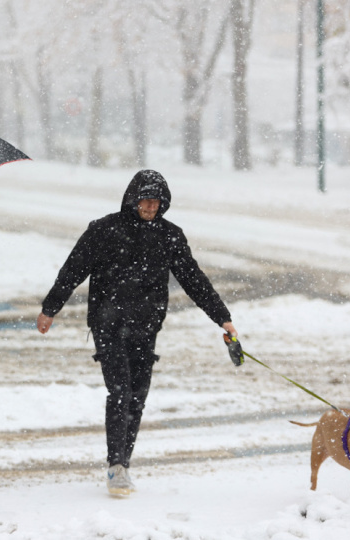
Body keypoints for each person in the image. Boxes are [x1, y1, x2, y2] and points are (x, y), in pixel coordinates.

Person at [36, 169, 239, 497]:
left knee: (137, 397)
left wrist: (222, 318)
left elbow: (193, 279)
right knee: (120, 391)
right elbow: (73, 270)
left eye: (156, 201)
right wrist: (50, 308)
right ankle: (116, 465)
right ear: (133, 199)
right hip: (108, 324)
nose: (150, 206)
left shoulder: (169, 235)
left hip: (146, 326)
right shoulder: (104, 230)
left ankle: (124, 463)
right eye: (145, 200)